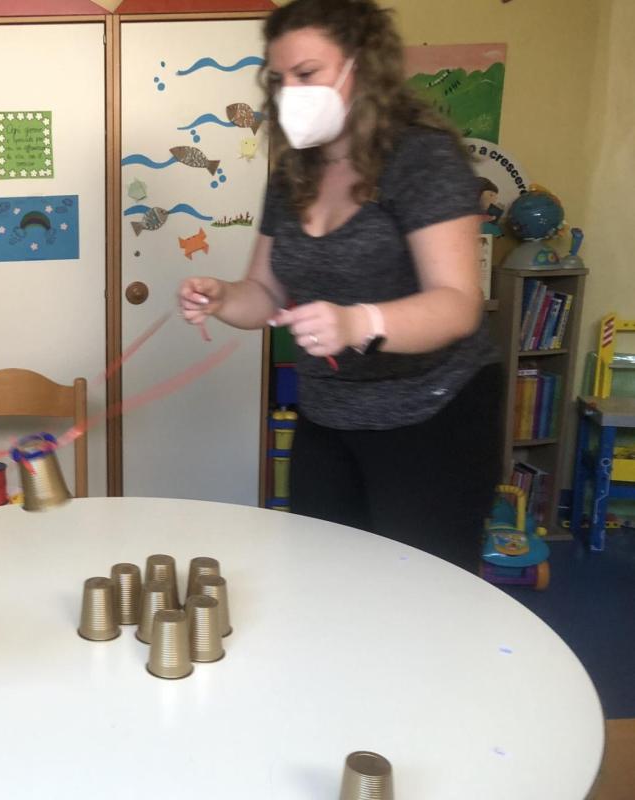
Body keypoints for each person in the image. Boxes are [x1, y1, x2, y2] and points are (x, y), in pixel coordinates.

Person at [179, 0, 502, 572]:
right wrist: (225, 297)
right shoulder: (292, 175)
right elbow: (265, 292)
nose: (290, 92)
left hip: (431, 414)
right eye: (279, 79)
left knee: (421, 592)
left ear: (362, 66)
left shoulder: (421, 158)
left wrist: (359, 323)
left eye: (307, 74)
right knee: (324, 578)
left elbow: (458, 304)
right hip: (328, 413)